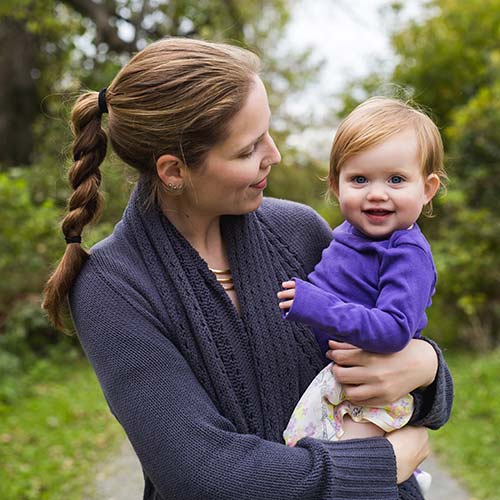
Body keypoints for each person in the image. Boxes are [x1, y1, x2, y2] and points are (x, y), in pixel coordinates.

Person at [43, 38, 453, 500]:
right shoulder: (112, 286)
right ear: (173, 171)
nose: (274, 155)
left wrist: (429, 367)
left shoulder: (299, 229)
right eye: (248, 149)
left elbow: (376, 349)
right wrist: (383, 463)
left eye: (269, 133)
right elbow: (204, 474)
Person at [277, 97, 446, 490]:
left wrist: (319, 308)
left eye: (396, 180)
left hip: (369, 396)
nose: (376, 194)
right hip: (338, 382)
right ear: (335, 185)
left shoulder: (406, 253)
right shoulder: (344, 234)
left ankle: (409, 481)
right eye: (360, 180)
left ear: (428, 188)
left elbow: (394, 329)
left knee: (351, 476)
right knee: (301, 453)